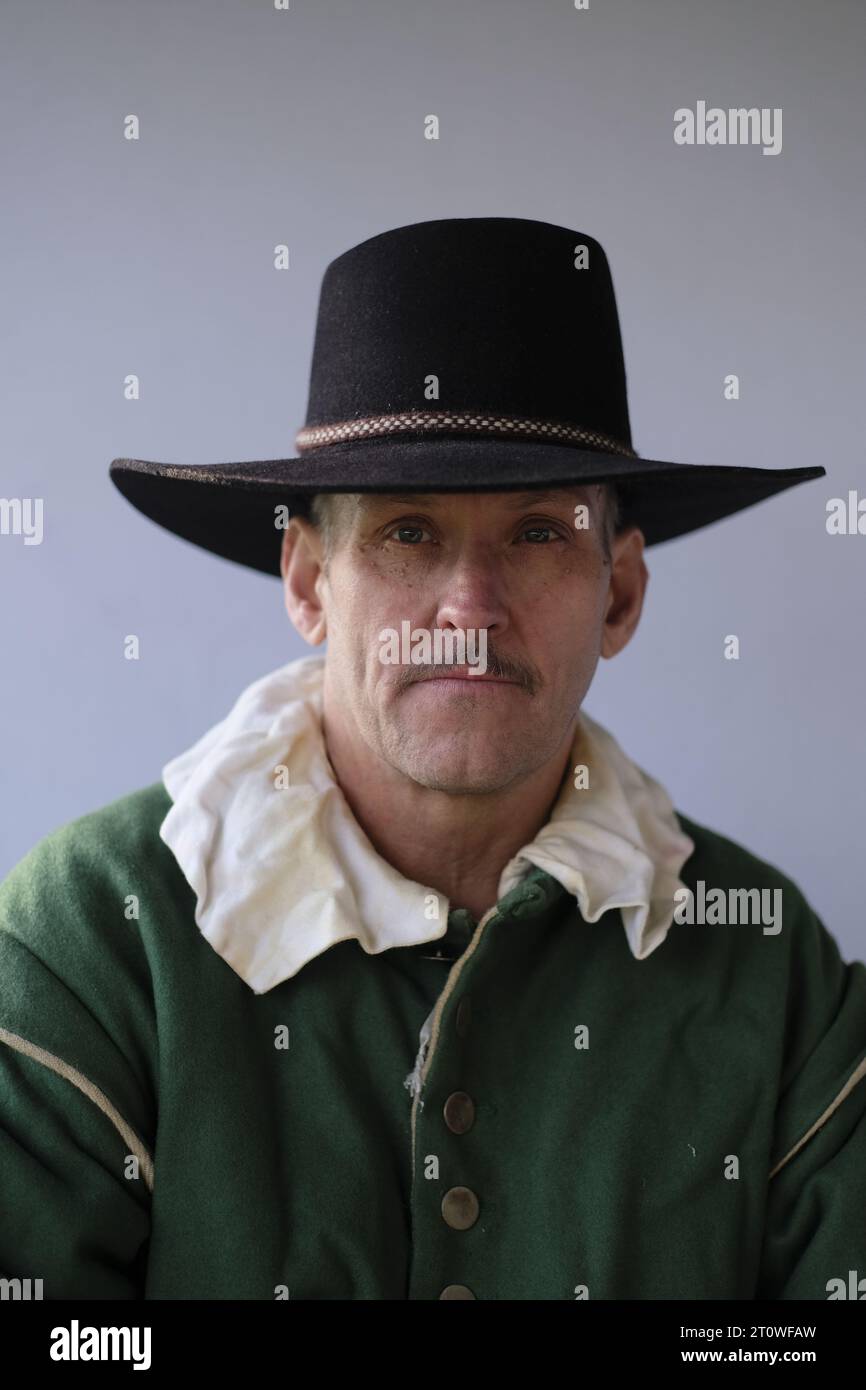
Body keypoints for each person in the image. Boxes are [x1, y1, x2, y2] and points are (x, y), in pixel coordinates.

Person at [1, 217, 863, 1301]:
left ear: (622, 592)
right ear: (312, 583)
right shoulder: (87, 943)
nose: (468, 610)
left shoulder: (771, 969)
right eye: (407, 531)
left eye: (539, 533)